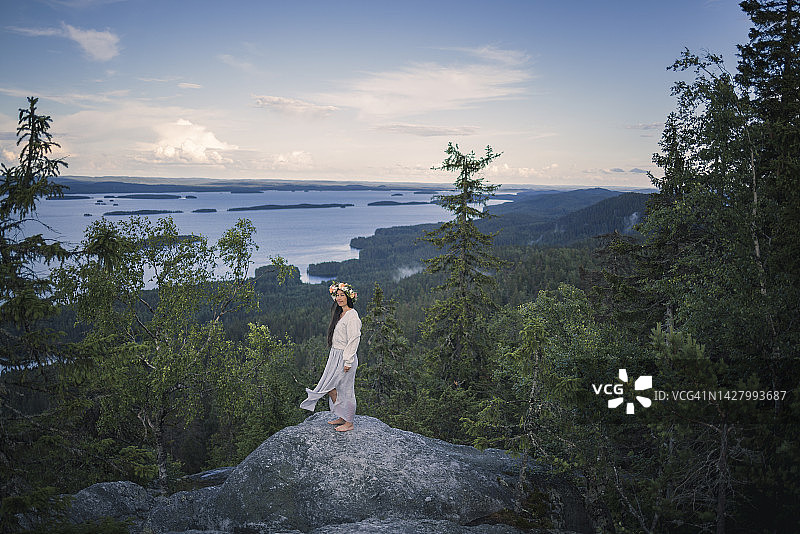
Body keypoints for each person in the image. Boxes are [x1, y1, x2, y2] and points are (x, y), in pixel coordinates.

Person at [300, 281, 361, 432]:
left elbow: (354, 338)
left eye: (343, 295)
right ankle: (341, 415)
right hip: (335, 355)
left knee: (346, 389)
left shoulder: (352, 315)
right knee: (331, 388)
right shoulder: (340, 314)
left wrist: (348, 361)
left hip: (346, 357)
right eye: (337, 295)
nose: (340, 298)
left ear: (349, 297)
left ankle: (349, 422)